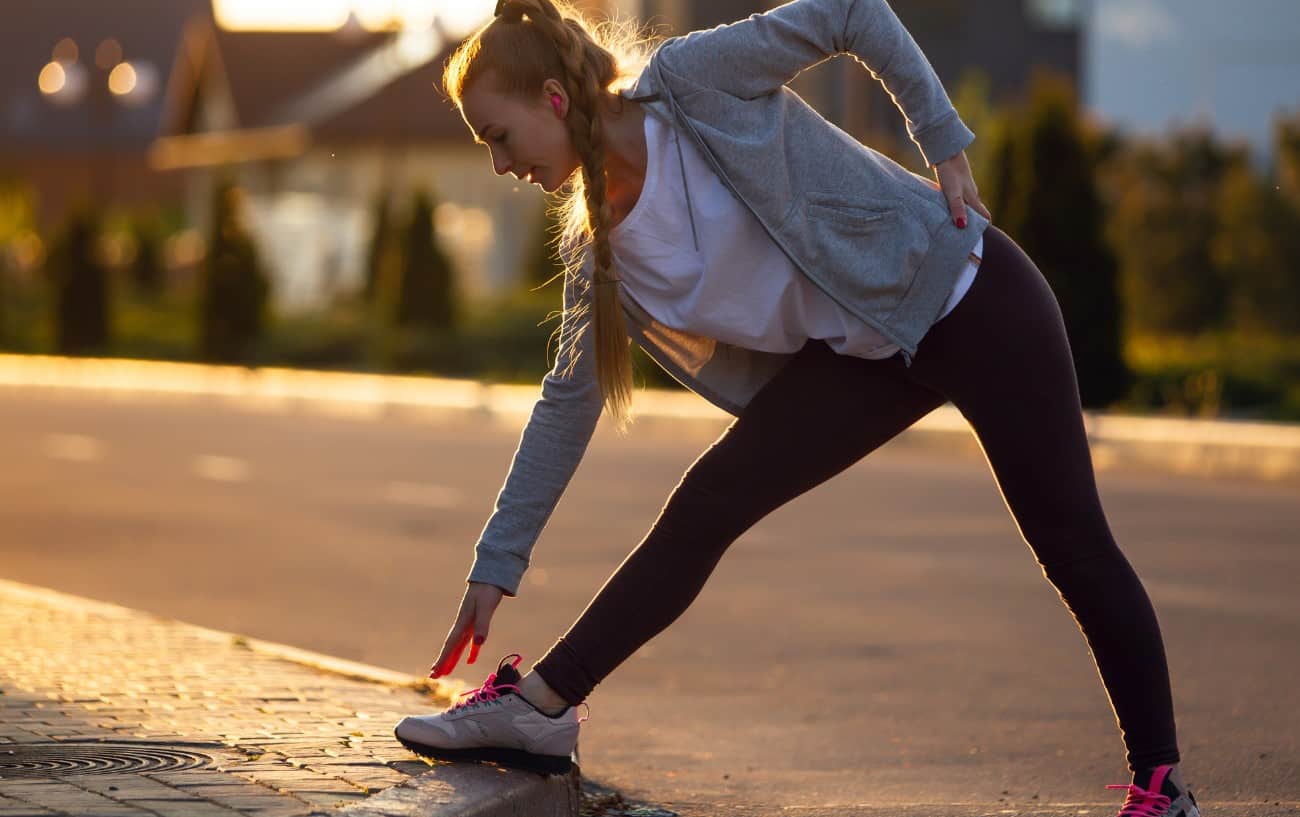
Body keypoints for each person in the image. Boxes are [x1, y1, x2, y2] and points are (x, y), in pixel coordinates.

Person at [392, 1, 1201, 815]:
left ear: (553, 102)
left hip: (970, 296)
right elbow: (566, 402)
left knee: (1071, 543)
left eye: (497, 137)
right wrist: (498, 561)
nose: (499, 166)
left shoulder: (689, 85)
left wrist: (945, 141)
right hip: (867, 355)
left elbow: (851, 11)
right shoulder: (596, 250)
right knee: (709, 500)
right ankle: (541, 708)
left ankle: (1162, 788)